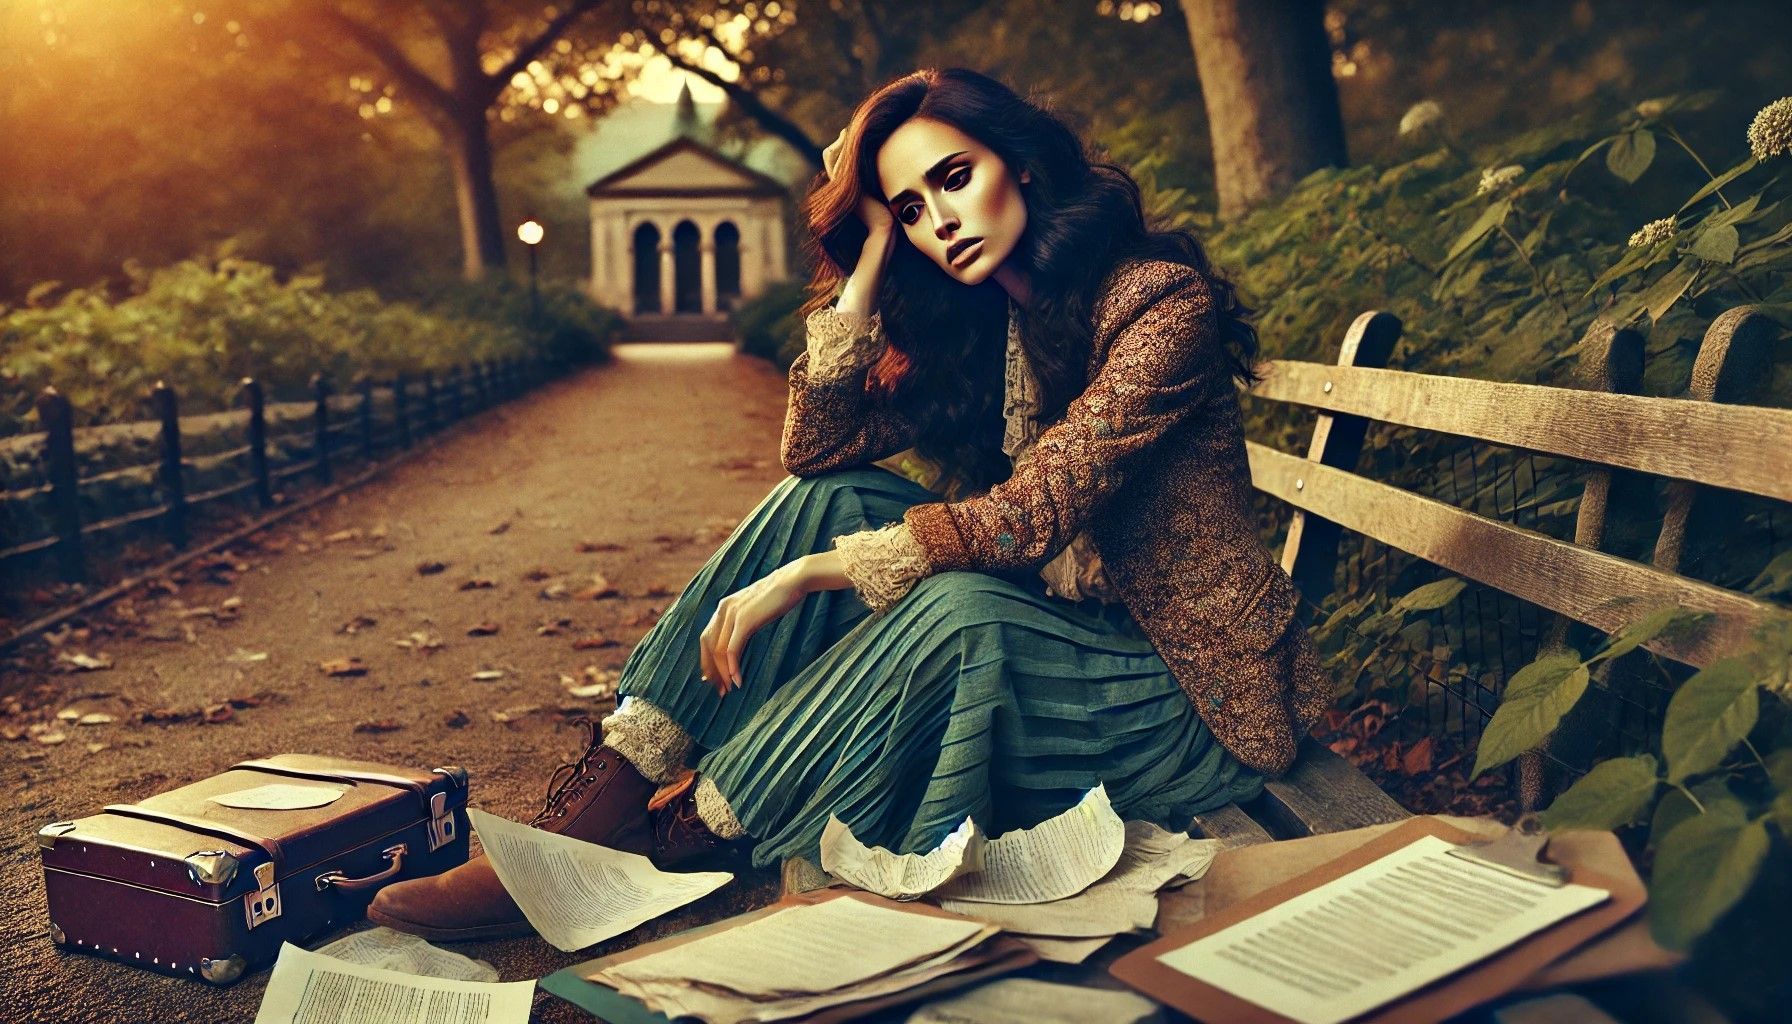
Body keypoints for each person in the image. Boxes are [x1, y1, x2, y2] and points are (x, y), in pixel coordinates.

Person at [368, 66, 1328, 942]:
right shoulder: (994, 320)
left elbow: (1031, 513)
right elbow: (816, 450)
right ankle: (585, 826)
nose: (938, 219)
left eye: (954, 178)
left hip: (1181, 693)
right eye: (909, 207)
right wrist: (868, 252)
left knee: (957, 608)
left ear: (1023, 167)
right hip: (1066, 646)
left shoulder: (1159, 305)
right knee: (822, 501)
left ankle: (679, 840)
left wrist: (811, 577)